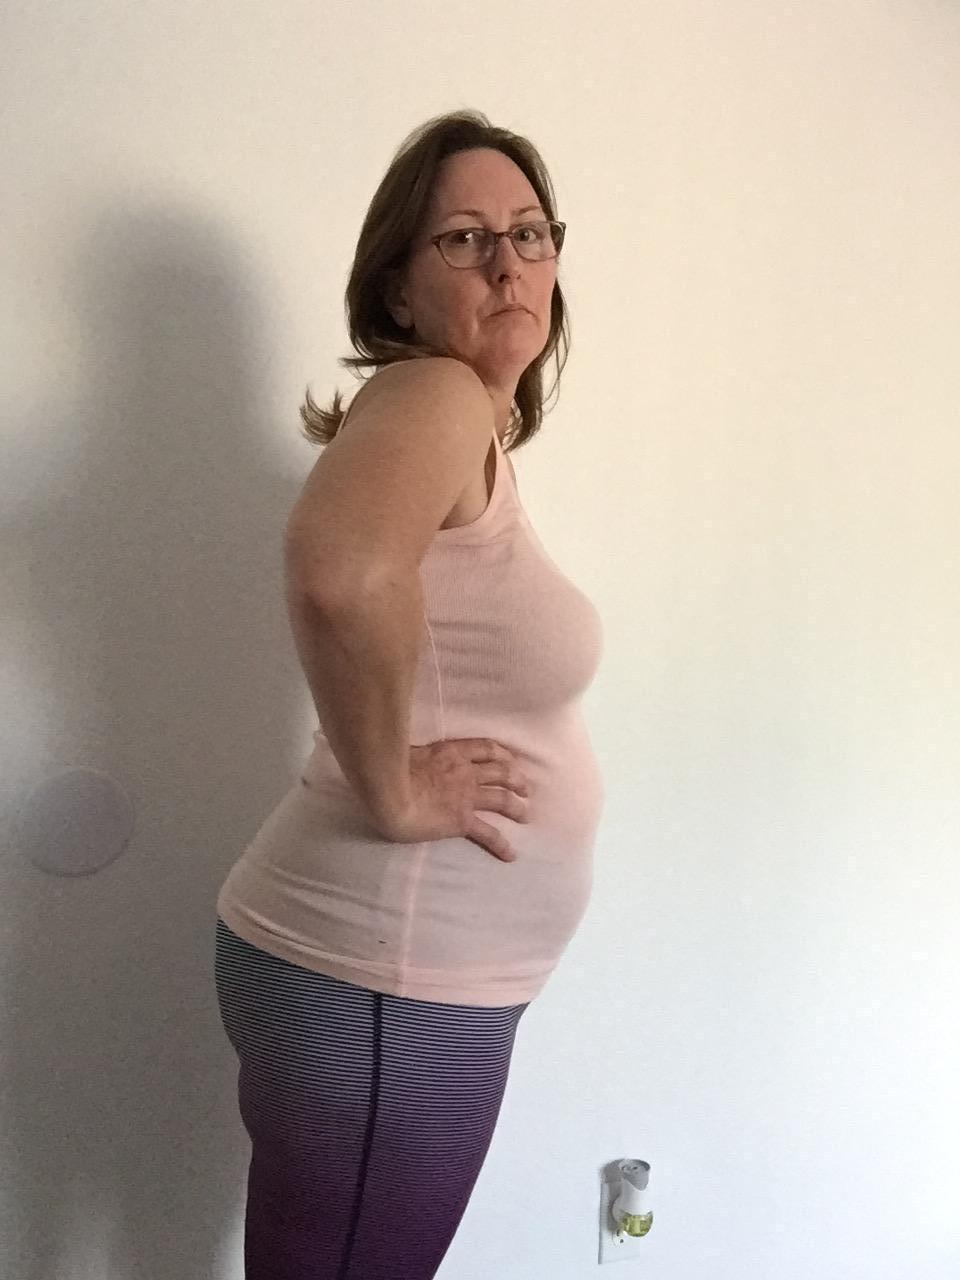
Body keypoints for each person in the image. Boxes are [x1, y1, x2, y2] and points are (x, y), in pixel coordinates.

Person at [214, 109, 605, 1280]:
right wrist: (392, 788)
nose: (508, 263)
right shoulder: (436, 393)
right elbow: (338, 572)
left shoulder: (464, 426)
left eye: (531, 233)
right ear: (396, 287)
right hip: (386, 981)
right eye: (466, 238)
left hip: (389, 982)